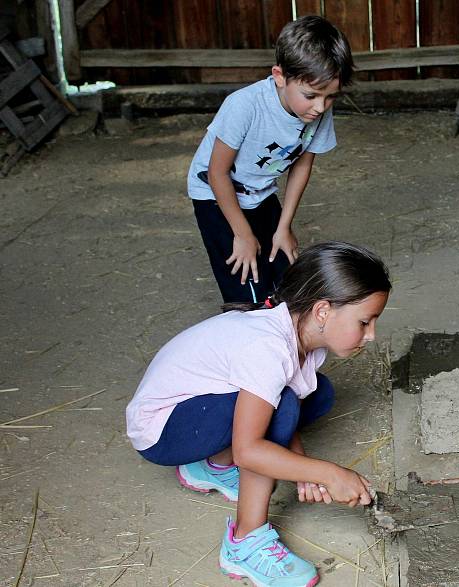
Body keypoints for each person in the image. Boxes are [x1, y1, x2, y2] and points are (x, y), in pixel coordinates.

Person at [126, 241, 391, 587]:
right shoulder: (267, 348)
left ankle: (212, 466)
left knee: (318, 394)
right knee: (278, 412)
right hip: (162, 430)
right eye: (365, 322)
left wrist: (302, 472)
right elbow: (250, 448)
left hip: (196, 414)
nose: (371, 335)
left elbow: (285, 409)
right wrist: (328, 474)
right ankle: (244, 544)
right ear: (323, 311)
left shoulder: (301, 338)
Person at [187, 16, 353, 303]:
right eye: (311, 95)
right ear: (279, 76)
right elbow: (217, 173)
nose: (320, 107)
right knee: (250, 285)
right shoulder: (244, 106)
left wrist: (284, 227)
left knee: (289, 279)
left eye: (330, 97)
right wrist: (243, 234)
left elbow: (302, 164)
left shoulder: (317, 111)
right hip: (215, 194)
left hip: (261, 192)